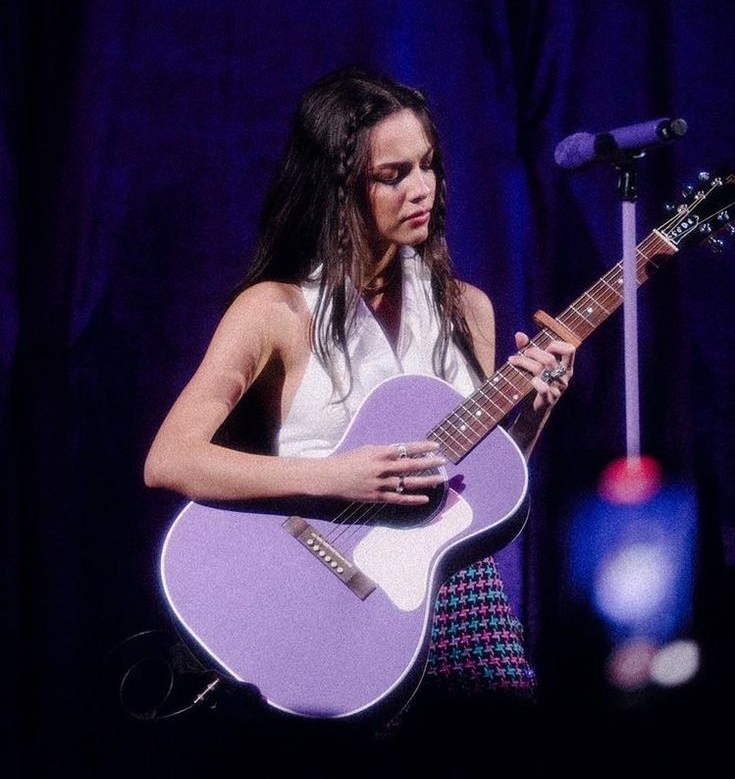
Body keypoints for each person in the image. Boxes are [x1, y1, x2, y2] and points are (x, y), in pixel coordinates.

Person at [144, 66, 575, 761]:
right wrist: (337, 475)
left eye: (428, 165)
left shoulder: (468, 308)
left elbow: (473, 494)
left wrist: (530, 415)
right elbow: (170, 458)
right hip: (325, 602)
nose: (422, 188)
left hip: (456, 595)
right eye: (393, 173)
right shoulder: (275, 310)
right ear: (337, 182)